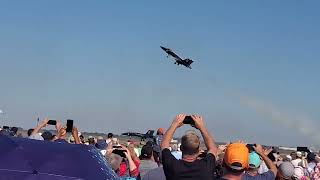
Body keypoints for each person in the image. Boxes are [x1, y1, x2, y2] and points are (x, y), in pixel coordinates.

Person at [160, 114, 218, 180]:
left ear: (181, 148)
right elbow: (213, 149)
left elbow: (164, 144)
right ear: (198, 150)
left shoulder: (173, 166)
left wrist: (174, 124)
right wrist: (202, 127)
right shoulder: (206, 167)